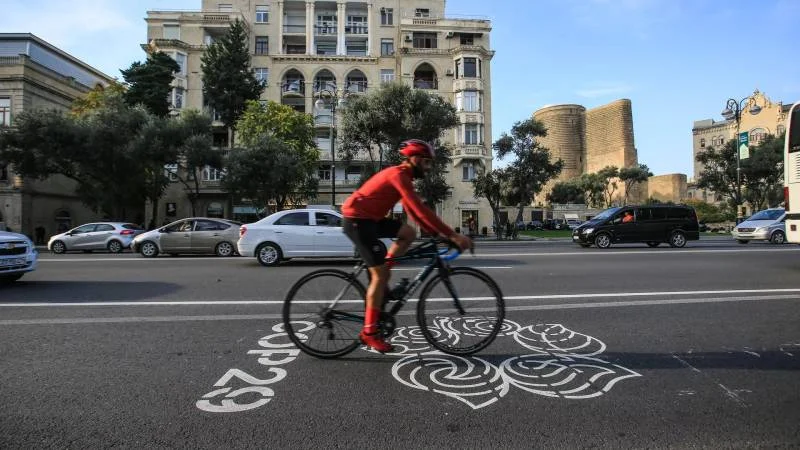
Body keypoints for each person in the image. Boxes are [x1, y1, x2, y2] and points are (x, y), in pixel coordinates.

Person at [341, 139, 472, 353]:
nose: (428, 168)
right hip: (357, 220)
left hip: (370, 219)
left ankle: (384, 277)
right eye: (427, 163)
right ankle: (369, 333)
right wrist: (451, 235)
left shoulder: (406, 178)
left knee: (408, 233)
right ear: (416, 159)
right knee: (378, 276)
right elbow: (419, 210)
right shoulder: (398, 175)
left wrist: (436, 233)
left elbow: (414, 214)